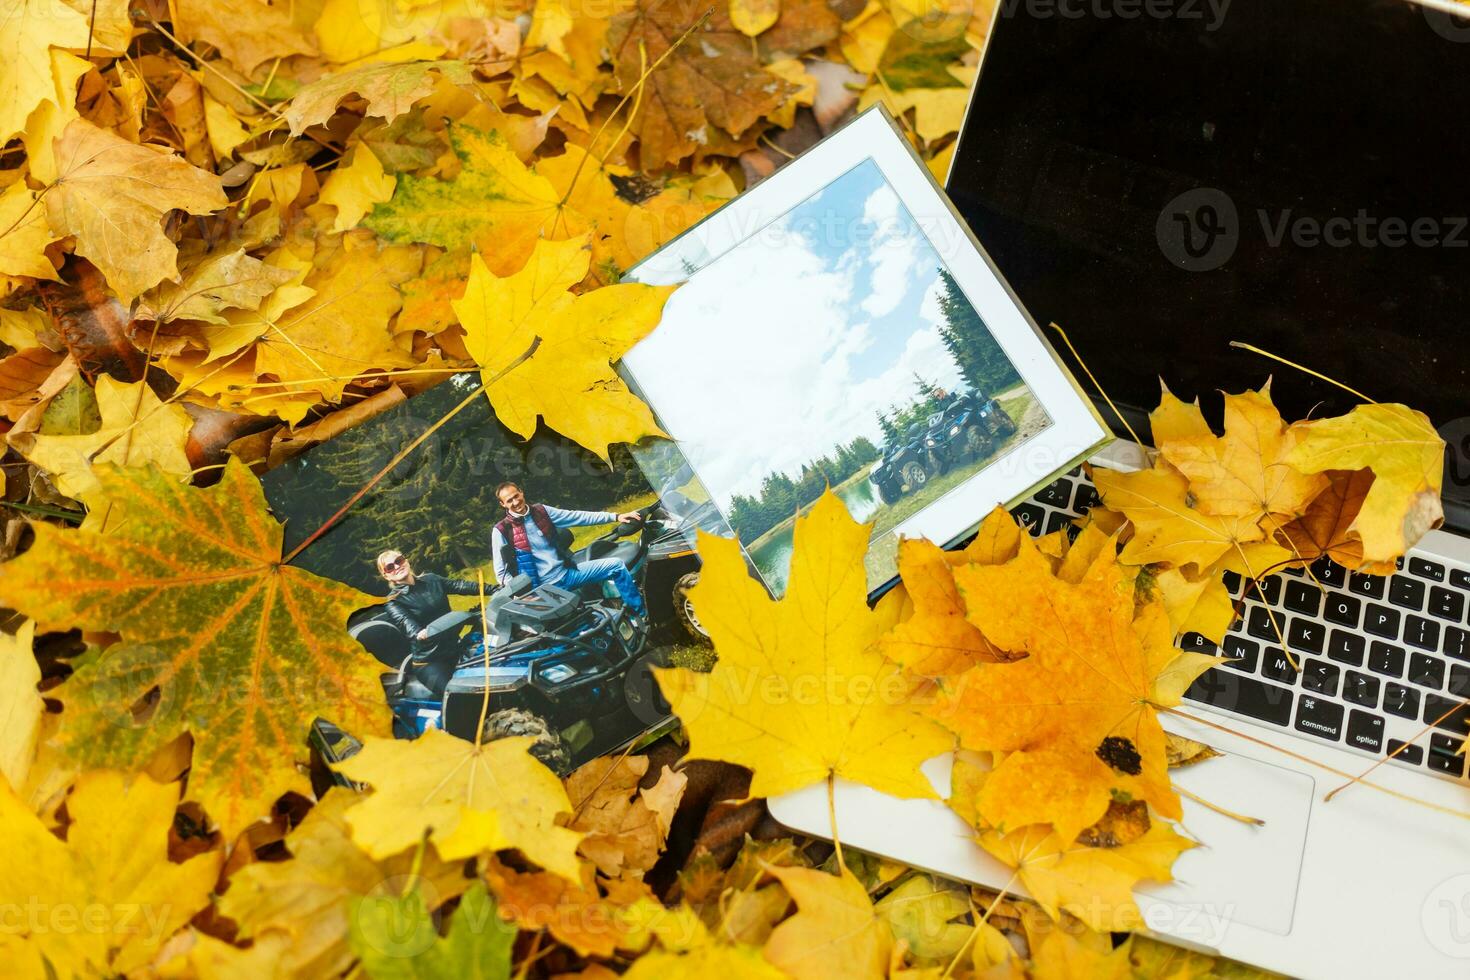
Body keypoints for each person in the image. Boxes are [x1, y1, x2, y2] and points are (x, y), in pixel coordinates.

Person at [490, 482, 648, 617]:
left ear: (521, 492)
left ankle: (641, 616)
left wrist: (615, 516)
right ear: (503, 504)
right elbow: (500, 573)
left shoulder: (541, 511)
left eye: (516, 496)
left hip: (567, 573)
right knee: (578, 623)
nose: (515, 502)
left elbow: (577, 516)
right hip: (544, 590)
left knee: (617, 566)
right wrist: (524, 596)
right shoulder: (501, 530)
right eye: (509, 500)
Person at [377, 550, 487, 694]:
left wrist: (498, 589)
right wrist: (420, 633)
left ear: (406, 560)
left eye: (399, 560)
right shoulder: (393, 602)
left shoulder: (431, 580)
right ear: (386, 575)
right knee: (458, 695)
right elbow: (408, 625)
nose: (397, 567)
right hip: (431, 661)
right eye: (390, 567)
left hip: (455, 647)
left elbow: (460, 585)